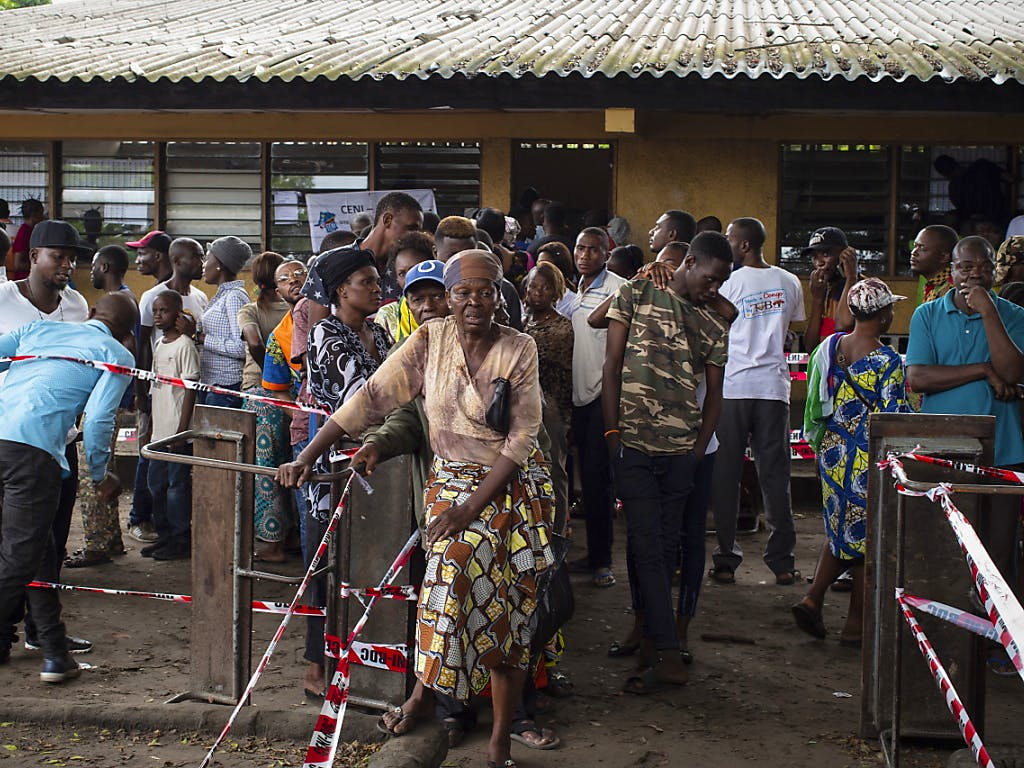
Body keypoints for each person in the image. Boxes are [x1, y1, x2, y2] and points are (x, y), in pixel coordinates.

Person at [278, 249, 552, 768]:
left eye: (485, 290)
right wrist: (308, 456)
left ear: (500, 295)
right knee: (445, 592)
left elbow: (521, 441)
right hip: (448, 487)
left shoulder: (520, 348)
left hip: (509, 493)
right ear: (449, 298)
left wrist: (471, 509)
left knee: (511, 617)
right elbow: (372, 400)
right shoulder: (431, 339)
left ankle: (498, 739)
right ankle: (427, 699)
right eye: (462, 291)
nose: (474, 301)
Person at [600, 231, 732, 692]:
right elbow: (612, 367)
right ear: (689, 261)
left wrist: (697, 451)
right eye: (710, 279)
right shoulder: (636, 292)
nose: (713, 290)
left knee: (667, 547)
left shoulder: (713, 324)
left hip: (681, 452)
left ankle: (661, 645)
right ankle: (666, 651)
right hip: (633, 445)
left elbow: (715, 398)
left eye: (720, 284)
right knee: (646, 544)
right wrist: (613, 433)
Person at [0, 292, 137, 682]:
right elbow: (96, 420)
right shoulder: (117, 354)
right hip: (33, 455)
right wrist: (99, 474)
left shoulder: (37, 329)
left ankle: (55, 653)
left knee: (38, 552)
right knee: (18, 559)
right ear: (128, 335)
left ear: (91, 312)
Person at [301, 246, 392, 700]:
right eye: (367, 283)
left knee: (365, 564)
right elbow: (363, 402)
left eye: (377, 282)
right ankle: (317, 668)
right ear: (341, 290)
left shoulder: (377, 331)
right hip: (334, 469)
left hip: (377, 467)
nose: (377, 289)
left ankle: (356, 661)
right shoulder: (326, 336)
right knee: (327, 568)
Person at [798, 279, 910, 646]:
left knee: (840, 526)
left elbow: (816, 403)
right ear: (883, 314)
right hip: (867, 459)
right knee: (866, 539)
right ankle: (855, 624)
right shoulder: (888, 361)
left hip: (832, 452)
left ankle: (813, 598)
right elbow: (894, 415)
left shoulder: (829, 348)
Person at [906, 236, 1024, 580]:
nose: (975, 275)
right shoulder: (926, 314)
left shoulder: (1014, 314)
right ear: (952, 270)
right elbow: (919, 377)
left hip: (1004, 447)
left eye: (985, 267)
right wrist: (983, 370)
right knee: (944, 545)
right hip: (941, 448)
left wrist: (988, 311)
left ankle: (991, 632)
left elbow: (1014, 372)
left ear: (995, 273)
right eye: (966, 267)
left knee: (998, 552)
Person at [710, 217, 805, 585]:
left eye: (730, 240)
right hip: (773, 389)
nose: (726, 246)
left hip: (733, 387)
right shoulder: (789, 281)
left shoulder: (728, 284)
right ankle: (782, 562)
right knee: (775, 476)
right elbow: (792, 328)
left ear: (744, 245)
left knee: (727, 474)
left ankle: (725, 559)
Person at [65, 244, 137, 568]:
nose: (90, 271)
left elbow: (128, 349)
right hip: (112, 396)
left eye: (93, 266)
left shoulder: (119, 304)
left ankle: (95, 545)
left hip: (102, 400)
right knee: (105, 469)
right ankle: (112, 539)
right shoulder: (125, 299)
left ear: (105, 266)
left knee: (92, 475)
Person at [568, 227, 627, 587]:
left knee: (598, 482)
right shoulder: (573, 290)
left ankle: (603, 560)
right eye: (580, 247)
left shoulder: (618, 288)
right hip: (573, 397)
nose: (585, 254)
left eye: (593, 249)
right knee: (584, 485)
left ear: (607, 254)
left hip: (600, 397)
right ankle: (592, 554)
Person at [238, 251, 292, 561]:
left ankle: (273, 542)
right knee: (291, 462)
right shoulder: (294, 308)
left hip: (261, 394)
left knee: (266, 468)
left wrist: (271, 375)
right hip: (292, 397)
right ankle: (294, 536)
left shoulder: (250, 310)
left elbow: (255, 343)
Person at [302, 193, 424, 328]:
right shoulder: (328, 262)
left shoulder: (410, 266)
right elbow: (315, 336)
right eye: (412, 228)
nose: (416, 235)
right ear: (388, 220)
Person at [143, 291, 200, 561]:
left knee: (177, 487)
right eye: (155, 311)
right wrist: (153, 425)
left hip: (177, 433)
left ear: (178, 314)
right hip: (159, 432)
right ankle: (163, 535)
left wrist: (181, 431)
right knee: (157, 485)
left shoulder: (185, 346)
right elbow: (157, 389)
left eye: (163, 311)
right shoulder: (160, 345)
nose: (157, 316)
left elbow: (190, 390)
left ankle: (180, 539)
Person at [125, 230, 173, 544]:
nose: (138, 259)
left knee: (165, 455)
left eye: (142, 253)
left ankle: (158, 516)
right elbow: (143, 346)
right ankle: (138, 518)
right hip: (153, 388)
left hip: (173, 391)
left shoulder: (182, 294)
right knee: (146, 451)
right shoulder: (149, 296)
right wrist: (141, 390)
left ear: (157, 255)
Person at [523, 262, 574, 534]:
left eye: (544, 288)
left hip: (553, 410)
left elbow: (564, 378)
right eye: (533, 286)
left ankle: (556, 532)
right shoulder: (523, 324)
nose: (538, 292)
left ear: (556, 292)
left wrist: (566, 420)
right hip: (526, 409)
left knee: (555, 471)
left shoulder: (562, 329)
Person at [196, 236, 251, 408]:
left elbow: (241, 348)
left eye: (207, 257)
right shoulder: (222, 295)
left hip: (225, 387)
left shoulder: (234, 297)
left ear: (220, 264)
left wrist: (202, 338)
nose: (203, 264)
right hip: (211, 383)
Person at [801, 227, 857, 353]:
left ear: (844, 255)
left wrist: (851, 277)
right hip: (828, 369)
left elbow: (843, 324)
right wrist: (817, 300)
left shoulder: (862, 285)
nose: (819, 262)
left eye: (826, 254)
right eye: (814, 257)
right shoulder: (823, 289)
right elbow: (811, 347)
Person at [375, 231, 434, 342]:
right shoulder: (388, 315)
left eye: (414, 270)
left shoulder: (450, 306)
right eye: (402, 273)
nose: (409, 278)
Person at [910, 224, 958, 305]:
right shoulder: (934, 285)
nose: (913, 252)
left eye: (922, 248)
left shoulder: (951, 291)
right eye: (915, 246)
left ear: (943, 257)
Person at [535, 241, 577, 316]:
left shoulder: (573, 303)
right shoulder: (534, 295)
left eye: (545, 266)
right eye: (538, 264)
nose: (539, 270)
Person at [9, 198, 45, 281]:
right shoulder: (24, 233)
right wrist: (41, 266)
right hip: (24, 280)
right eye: (41, 213)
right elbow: (17, 264)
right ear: (34, 215)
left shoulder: (33, 230)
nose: (43, 217)